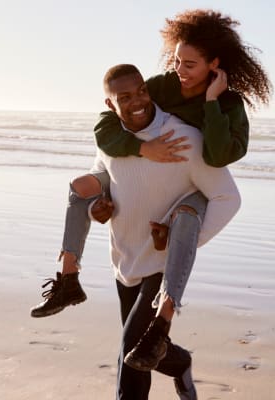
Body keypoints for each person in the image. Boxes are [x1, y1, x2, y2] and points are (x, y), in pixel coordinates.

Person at [30, 8, 271, 374]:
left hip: (196, 189)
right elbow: (110, 122)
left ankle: (163, 326)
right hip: (146, 207)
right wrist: (142, 151)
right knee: (136, 343)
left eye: (190, 64)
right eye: (177, 60)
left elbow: (220, 155)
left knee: (133, 347)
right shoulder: (161, 86)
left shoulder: (228, 103)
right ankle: (70, 278)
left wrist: (210, 101)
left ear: (215, 65)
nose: (180, 70)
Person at [91, 64, 240, 399]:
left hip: (160, 267)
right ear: (110, 104)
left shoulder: (182, 139)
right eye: (124, 97)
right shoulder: (111, 139)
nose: (137, 101)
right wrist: (95, 204)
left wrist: (181, 246)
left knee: (130, 358)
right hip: (124, 260)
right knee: (143, 351)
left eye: (141, 91)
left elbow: (227, 198)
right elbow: (101, 173)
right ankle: (178, 361)